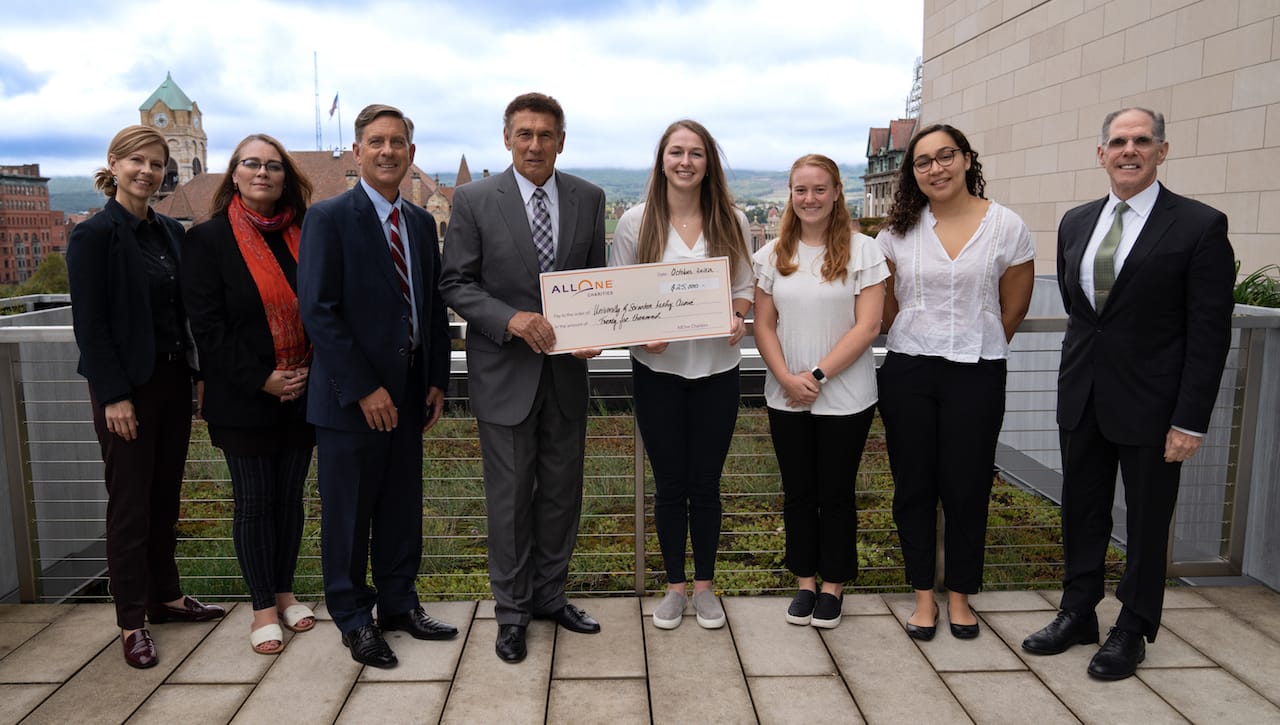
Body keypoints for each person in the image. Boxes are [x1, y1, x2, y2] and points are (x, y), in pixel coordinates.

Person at [1022, 108, 1235, 680]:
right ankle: (1078, 611)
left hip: (1156, 405)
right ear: (1101, 154)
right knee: (1082, 511)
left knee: (1145, 520)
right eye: (1118, 141)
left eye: (1142, 141)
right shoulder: (1076, 221)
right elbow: (1082, 313)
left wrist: (1190, 419)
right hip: (1085, 395)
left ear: (1162, 151)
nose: (1129, 150)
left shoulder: (1198, 225)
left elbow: (1209, 332)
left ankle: (1134, 626)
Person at [440, 92, 606, 663]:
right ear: (506, 137)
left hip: (566, 375)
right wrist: (509, 319)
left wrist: (596, 329)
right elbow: (456, 284)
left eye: (546, 134)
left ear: (562, 139)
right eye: (524, 134)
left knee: (561, 497)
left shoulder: (589, 197)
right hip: (504, 375)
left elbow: (596, 280)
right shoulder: (474, 199)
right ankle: (510, 615)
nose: (535, 144)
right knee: (509, 503)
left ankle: (550, 597)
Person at [298, 104, 458, 669]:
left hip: (411, 393)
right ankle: (351, 619)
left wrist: (436, 378)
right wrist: (364, 388)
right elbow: (318, 312)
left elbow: (430, 307)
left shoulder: (418, 222)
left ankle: (398, 603)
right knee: (346, 514)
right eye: (375, 142)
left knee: (399, 507)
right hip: (350, 401)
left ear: (411, 154)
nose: (387, 151)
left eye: (397, 142)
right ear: (358, 152)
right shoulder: (328, 218)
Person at [67, 125, 225, 669]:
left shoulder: (169, 233)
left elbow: (186, 315)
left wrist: (199, 375)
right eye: (137, 161)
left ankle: (166, 596)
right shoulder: (94, 236)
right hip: (126, 391)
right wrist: (113, 395)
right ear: (114, 163)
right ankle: (131, 621)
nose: (148, 172)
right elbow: (90, 324)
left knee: (164, 496)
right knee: (130, 505)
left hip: (173, 380)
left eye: (157, 164)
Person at [877, 124, 1034, 641]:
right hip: (910, 371)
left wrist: (971, 340)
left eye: (946, 156)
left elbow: (1011, 308)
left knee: (968, 488)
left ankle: (962, 596)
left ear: (967, 159)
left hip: (977, 370)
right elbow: (890, 310)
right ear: (912, 173)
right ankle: (924, 596)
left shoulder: (1006, 226)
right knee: (914, 487)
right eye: (923, 162)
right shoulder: (896, 232)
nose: (936, 168)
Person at [610, 120, 754, 630]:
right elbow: (621, 299)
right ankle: (673, 588)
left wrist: (737, 317)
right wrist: (640, 335)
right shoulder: (636, 221)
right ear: (662, 160)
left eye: (695, 153)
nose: (685, 161)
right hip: (658, 373)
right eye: (676, 152)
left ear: (708, 161)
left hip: (718, 369)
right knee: (669, 485)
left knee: (707, 485)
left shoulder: (731, 218)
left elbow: (743, 287)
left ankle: (706, 589)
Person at [182, 134, 318, 655]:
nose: (263, 173)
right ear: (234, 174)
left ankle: (285, 593)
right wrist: (263, 378)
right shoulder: (207, 240)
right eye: (251, 164)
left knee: (289, 500)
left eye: (273, 166)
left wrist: (302, 372)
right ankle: (262, 607)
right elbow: (208, 328)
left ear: (286, 178)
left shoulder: (304, 235)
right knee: (255, 502)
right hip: (244, 397)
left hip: (303, 390)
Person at [754, 154, 888, 629]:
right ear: (790, 195)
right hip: (785, 393)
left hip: (845, 396)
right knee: (797, 493)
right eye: (800, 190)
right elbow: (764, 324)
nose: (809, 199)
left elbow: (868, 325)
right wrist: (789, 378)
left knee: (835, 493)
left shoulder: (862, 250)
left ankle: (833, 585)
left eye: (819, 189)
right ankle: (805, 581)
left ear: (836, 194)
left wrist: (816, 376)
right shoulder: (773, 255)